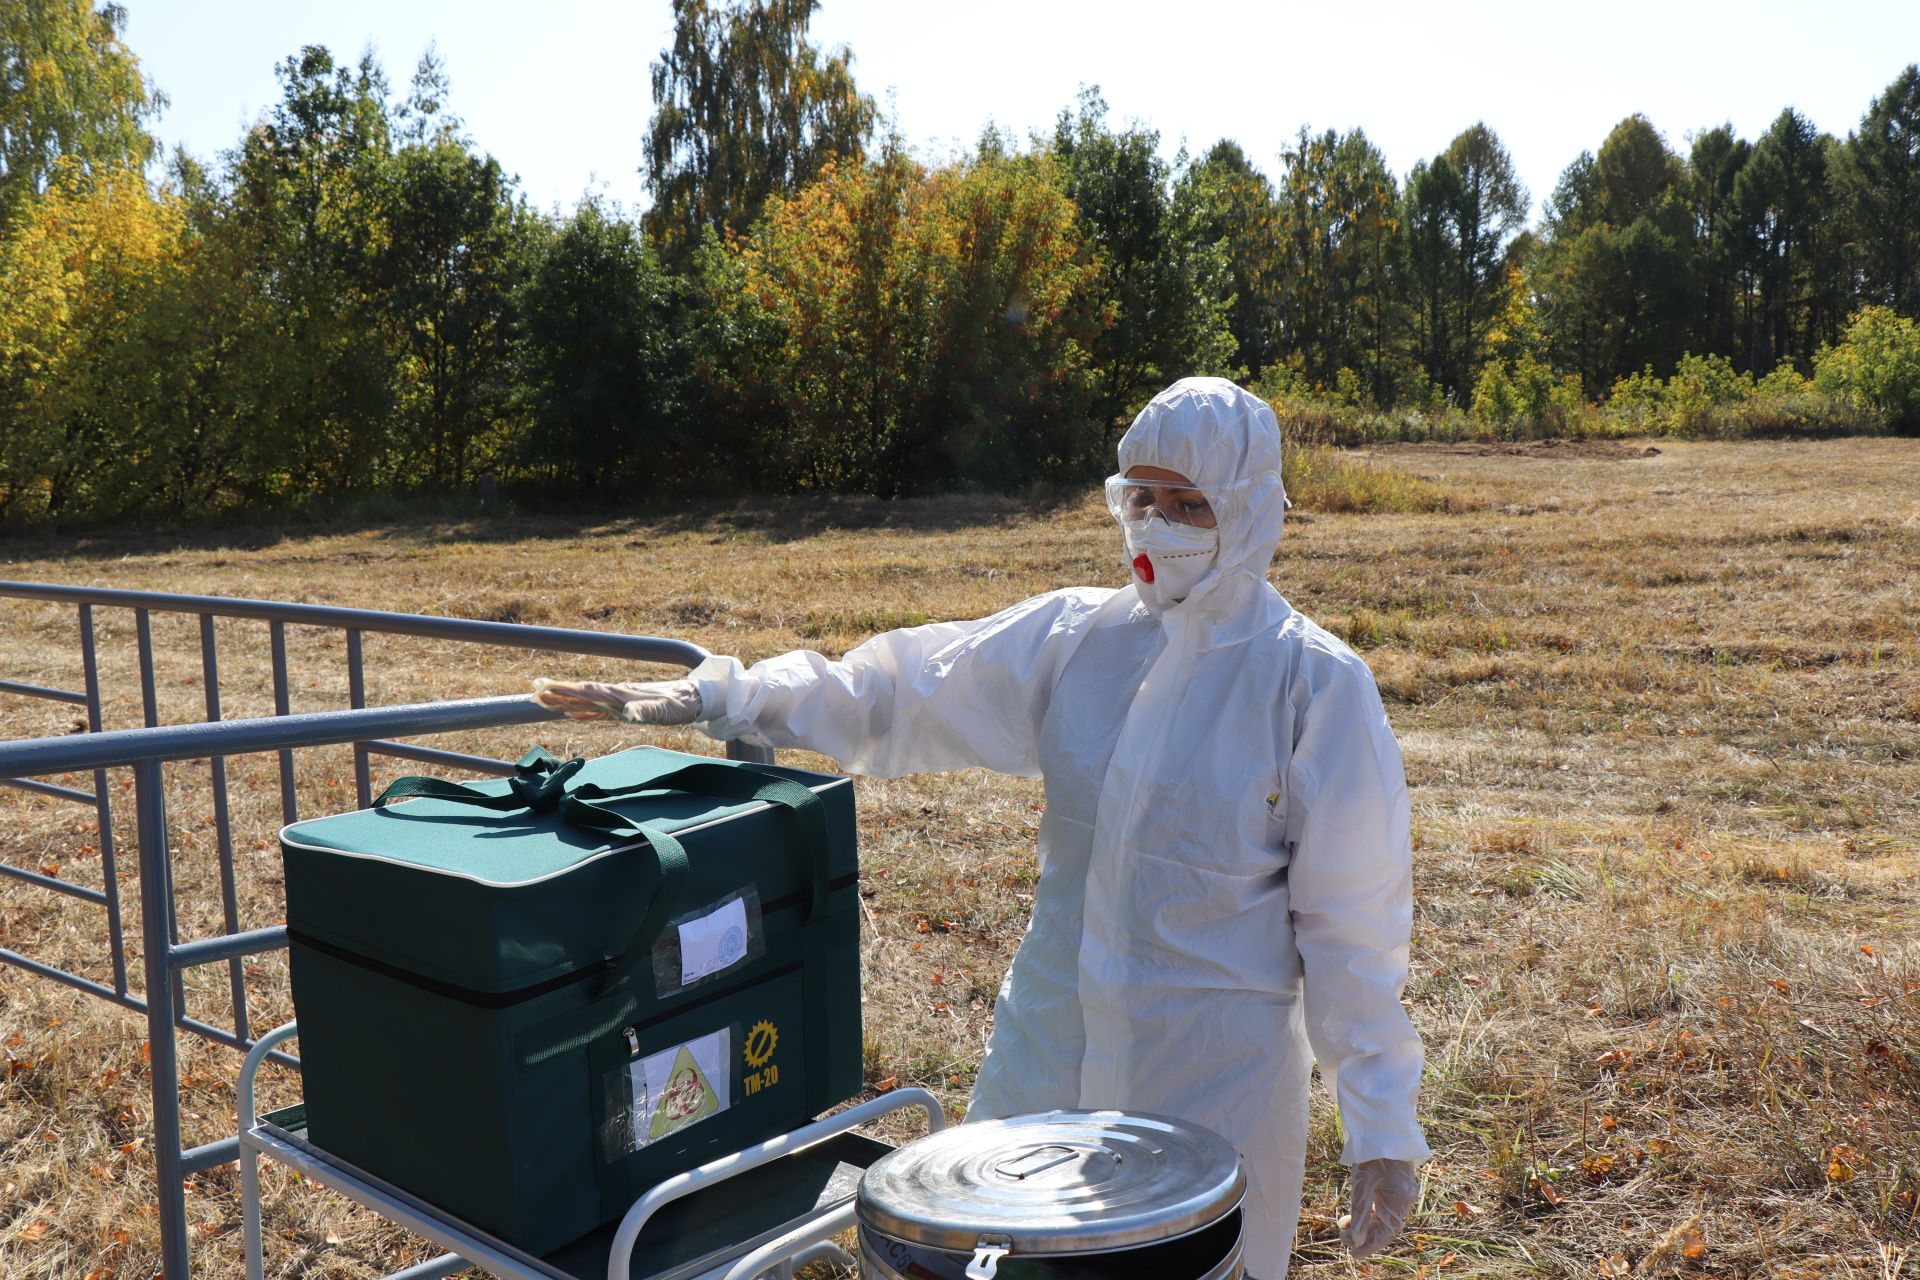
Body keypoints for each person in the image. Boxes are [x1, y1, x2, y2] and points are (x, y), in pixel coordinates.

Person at [534, 377, 1428, 1278]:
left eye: (1188, 504)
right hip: (1047, 1061)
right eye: (1142, 500)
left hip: (1209, 1085)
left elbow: (1352, 931)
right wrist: (724, 693)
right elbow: (900, 687)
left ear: (1248, 508)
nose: (1156, 527)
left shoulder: (1310, 686)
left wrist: (1381, 1128)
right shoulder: (1081, 640)